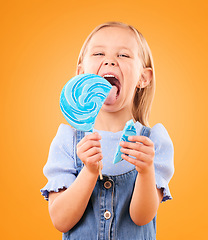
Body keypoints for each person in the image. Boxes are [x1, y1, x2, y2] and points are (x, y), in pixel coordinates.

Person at [41, 21, 174, 240]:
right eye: (99, 53)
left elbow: (141, 218)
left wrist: (146, 170)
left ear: (143, 78)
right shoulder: (68, 140)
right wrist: (90, 172)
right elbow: (60, 220)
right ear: (81, 74)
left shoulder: (152, 142)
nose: (110, 60)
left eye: (123, 55)